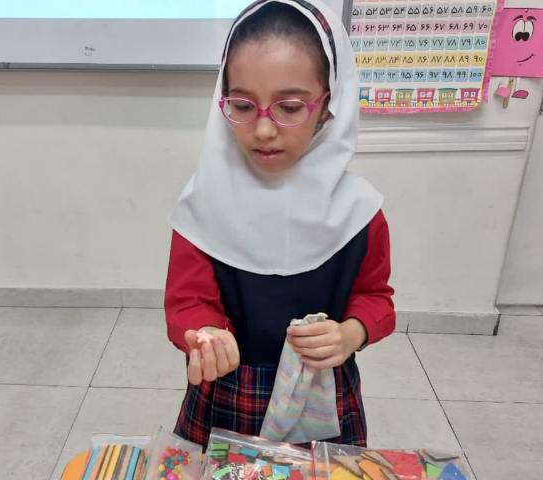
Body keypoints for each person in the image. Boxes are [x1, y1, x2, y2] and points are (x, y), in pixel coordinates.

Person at [164, 0, 395, 448]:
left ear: (329, 106)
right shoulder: (204, 203)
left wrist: (351, 333)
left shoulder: (360, 211)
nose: (264, 130)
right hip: (228, 395)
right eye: (242, 105)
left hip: (321, 394)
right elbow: (187, 302)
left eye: (289, 107)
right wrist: (206, 335)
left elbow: (375, 298)